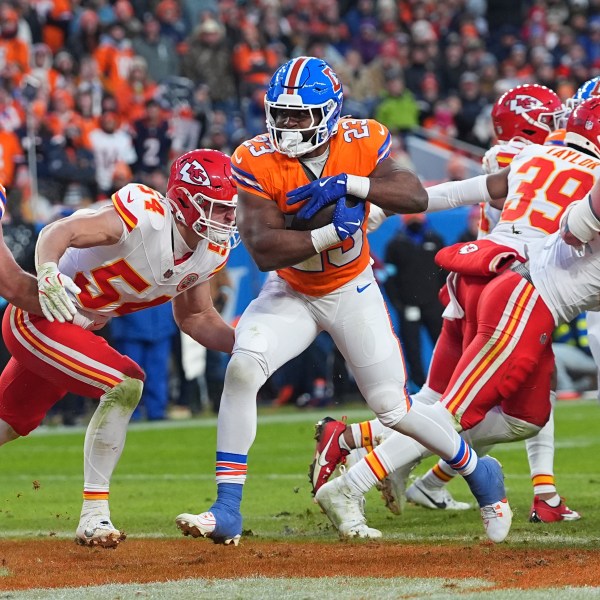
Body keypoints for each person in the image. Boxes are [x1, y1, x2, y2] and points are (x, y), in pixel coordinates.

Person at [174, 56, 511, 546]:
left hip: (352, 289)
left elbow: (414, 197)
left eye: (298, 115)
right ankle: (227, 508)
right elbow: (265, 249)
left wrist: (352, 185)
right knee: (243, 368)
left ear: (330, 113)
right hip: (291, 290)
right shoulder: (253, 158)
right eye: (280, 113)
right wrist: (332, 230)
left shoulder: (361, 140)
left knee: (393, 407)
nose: (286, 125)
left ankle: (480, 474)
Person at [311, 94, 600, 537]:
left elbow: (458, 192)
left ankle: (373, 449)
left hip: (478, 271)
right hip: (518, 286)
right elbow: (578, 226)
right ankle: (355, 482)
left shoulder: (534, 155)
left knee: (521, 412)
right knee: (451, 410)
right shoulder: (581, 172)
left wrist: (385, 207)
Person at [0, 149, 239, 548]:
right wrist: (46, 273)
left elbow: (197, 317)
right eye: (217, 208)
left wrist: (249, 348)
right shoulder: (144, 215)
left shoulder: (211, 251)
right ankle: (94, 515)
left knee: (8, 421)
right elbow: (60, 232)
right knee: (125, 384)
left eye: (231, 210)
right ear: (182, 202)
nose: (227, 219)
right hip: (41, 316)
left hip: (76, 330)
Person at [384, 213, 447, 389]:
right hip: (408, 305)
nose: (414, 220)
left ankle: (445, 383)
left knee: (442, 344)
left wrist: (444, 299)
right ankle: (418, 385)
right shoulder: (395, 244)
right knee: (412, 348)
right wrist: (398, 304)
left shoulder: (435, 240)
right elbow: (389, 277)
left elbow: (445, 273)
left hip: (434, 304)